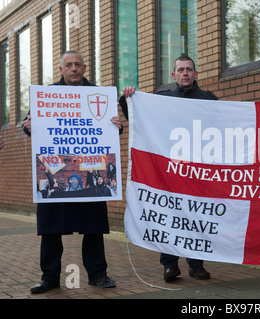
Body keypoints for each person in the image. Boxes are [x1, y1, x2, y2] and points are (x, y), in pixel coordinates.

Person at [21, 50, 122, 293]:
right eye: (69, 65)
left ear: (85, 68)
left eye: (78, 64)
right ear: (61, 69)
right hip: (58, 172)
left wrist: (117, 127)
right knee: (51, 230)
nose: (74, 68)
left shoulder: (100, 95)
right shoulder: (46, 96)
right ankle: (49, 277)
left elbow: (109, 135)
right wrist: (28, 126)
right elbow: (31, 125)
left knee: (94, 228)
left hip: (90, 171)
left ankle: (98, 274)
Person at [120, 55, 217, 282]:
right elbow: (137, 117)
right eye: (181, 69)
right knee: (169, 217)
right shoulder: (162, 99)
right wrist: (127, 98)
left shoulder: (209, 99)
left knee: (197, 216)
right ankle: (169, 265)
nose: (185, 73)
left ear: (195, 74)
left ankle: (196, 264)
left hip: (198, 171)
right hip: (169, 170)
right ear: (173, 75)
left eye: (189, 69)